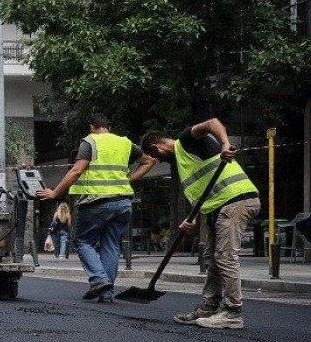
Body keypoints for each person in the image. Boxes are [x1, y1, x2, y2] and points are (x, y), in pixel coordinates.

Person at [138, 119, 260, 329]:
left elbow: (212, 122)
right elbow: (202, 192)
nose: (158, 161)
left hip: (236, 199)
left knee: (225, 256)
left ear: (156, 147)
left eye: (156, 157)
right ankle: (209, 307)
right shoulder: (182, 162)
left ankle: (232, 312)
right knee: (211, 257)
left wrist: (224, 143)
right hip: (219, 206)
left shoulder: (186, 141)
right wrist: (191, 218)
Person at [36, 114, 152, 302]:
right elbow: (149, 161)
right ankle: (106, 293)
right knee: (111, 245)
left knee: (82, 242)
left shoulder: (90, 142)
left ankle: (99, 279)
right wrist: (127, 180)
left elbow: (77, 170)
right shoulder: (125, 142)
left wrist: (54, 193)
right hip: (122, 202)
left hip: (95, 202)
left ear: (91, 126)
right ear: (109, 127)